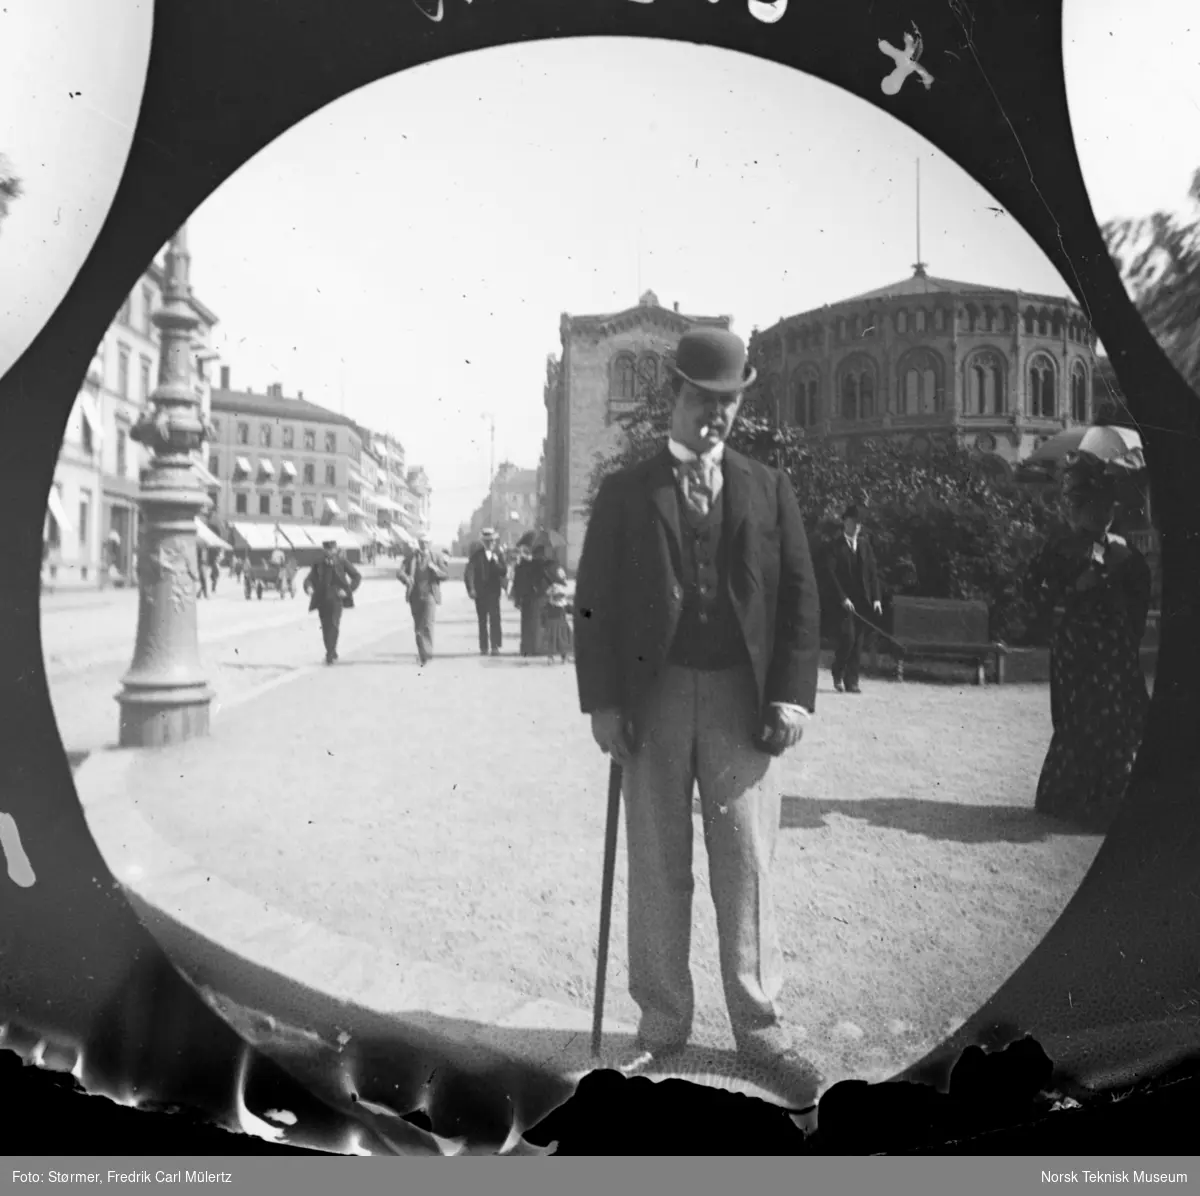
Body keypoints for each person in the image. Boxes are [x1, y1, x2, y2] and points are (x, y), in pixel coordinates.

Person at [574, 326, 823, 1105]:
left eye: (728, 403)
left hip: (738, 700)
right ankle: (661, 1026)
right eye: (702, 400)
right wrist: (605, 703)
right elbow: (593, 605)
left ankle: (760, 1029)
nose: (715, 416)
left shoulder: (766, 485)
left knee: (746, 861)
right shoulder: (627, 491)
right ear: (674, 399)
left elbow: (801, 598)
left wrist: (791, 694)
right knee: (657, 862)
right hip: (653, 696)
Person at [1023, 452, 1151, 830]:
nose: (1103, 515)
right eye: (1095, 507)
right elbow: (1034, 590)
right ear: (1078, 509)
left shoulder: (1124, 551)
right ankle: (1072, 798)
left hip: (1114, 647)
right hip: (1079, 646)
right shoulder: (1062, 546)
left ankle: (1112, 797)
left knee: (1127, 714)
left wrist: (1127, 622)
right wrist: (1070, 590)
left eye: (1109, 507)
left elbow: (1140, 598)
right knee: (1085, 718)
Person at [825, 503, 882, 694]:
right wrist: (843, 598)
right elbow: (830, 575)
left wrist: (876, 599)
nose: (856, 527)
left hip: (862, 603)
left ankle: (852, 681)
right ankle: (838, 672)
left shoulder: (865, 545)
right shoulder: (835, 546)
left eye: (858, 524)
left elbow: (873, 574)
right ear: (845, 523)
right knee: (847, 637)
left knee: (858, 642)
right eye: (852, 522)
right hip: (843, 604)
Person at [303, 539, 362, 664]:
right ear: (324, 550)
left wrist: (348, 591)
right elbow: (309, 578)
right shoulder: (318, 563)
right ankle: (331, 650)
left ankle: (330, 653)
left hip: (336, 599)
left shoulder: (342, 562)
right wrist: (308, 587)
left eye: (332, 549)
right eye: (327, 549)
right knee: (325, 626)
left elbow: (357, 576)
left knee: (334, 624)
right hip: (322, 599)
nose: (330, 552)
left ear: (336, 549)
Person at [397, 534, 448, 665]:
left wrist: (435, 569)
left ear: (430, 544)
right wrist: (406, 578)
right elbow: (399, 572)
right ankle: (422, 653)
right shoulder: (411, 558)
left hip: (430, 594)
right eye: (421, 542)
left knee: (428, 624)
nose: (423, 545)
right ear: (418, 543)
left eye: (426, 543)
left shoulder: (436, 557)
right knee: (418, 626)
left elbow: (445, 574)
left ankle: (427, 653)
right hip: (415, 595)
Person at [465, 528, 508, 656]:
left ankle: (495, 646)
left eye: (492, 541)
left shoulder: (499, 555)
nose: (490, 543)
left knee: (495, 619)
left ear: (495, 541)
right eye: (487, 541)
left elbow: (503, 571)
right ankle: (484, 647)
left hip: (494, 592)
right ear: (483, 542)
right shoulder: (476, 555)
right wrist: (471, 589)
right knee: (482, 621)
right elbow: (469, 573)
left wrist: (495, 561)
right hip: (480, 593)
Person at [510, 536, 540, 657]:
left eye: (526, 549)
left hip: (533, 595)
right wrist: (517, 598)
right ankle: (528, 648)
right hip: (527, 596)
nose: (525, 552)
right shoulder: (521, 564)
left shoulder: (535, 562)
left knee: (532, 622)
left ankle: (531, 647)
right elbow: (517, 582)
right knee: (528, 622)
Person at [542, 565, 573, 664]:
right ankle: (563, 656)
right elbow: (569, 608)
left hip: (551, 621)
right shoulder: (560, 595)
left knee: (552, 640)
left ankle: (551, 657)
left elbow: (544, 610)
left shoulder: (550, 599)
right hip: (560, 621)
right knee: (563, 639)